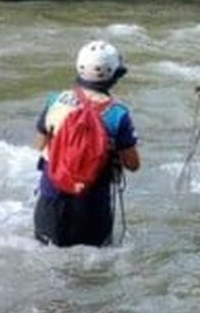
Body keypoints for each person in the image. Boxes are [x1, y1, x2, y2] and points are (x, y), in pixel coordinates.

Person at [34, 40, 141, 247]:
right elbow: (133, 164)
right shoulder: (118, 114)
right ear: (113, 75)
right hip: (92, 206)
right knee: (90, 274)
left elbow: (40, 145)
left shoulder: (55, 101)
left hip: (50, 200)